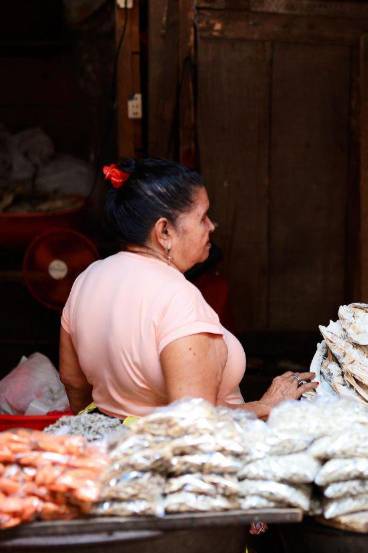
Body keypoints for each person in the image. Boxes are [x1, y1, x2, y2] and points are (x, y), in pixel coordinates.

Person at [59, 158, 318, 419]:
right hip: (171, 456)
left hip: (117, 448)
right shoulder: (176, 297)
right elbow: (193, 424)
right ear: (164, 232)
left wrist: (114, 427)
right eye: (203, 217)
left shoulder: (87, 279)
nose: (211, 226)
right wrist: (266, 406)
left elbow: (73, 382)